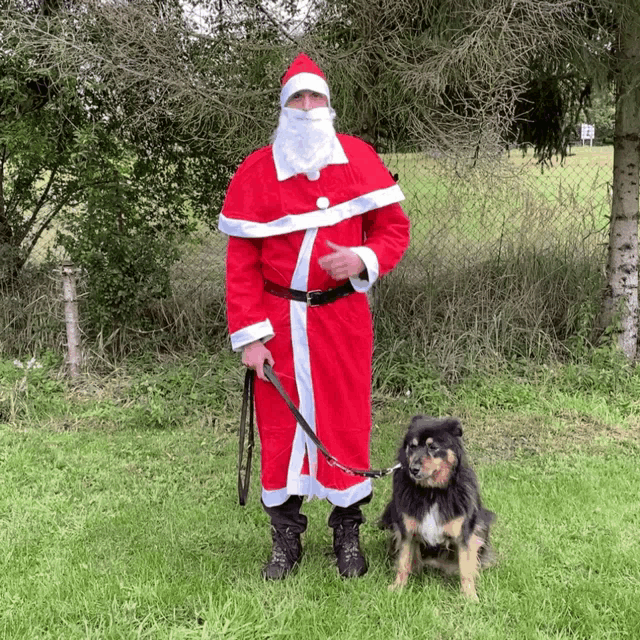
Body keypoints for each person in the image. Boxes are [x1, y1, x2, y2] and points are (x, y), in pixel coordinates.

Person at [218, 53, 410, 580]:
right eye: (297, 99)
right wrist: (251, 340)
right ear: (283, 109)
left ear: (329, 105)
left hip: (341, 320)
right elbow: (242, 266)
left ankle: (347, 531)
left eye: (315, 98)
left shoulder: (358, 159)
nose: (307, 107)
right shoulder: (257, 172)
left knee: (345, 422)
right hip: (277, 325)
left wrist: (363, 259)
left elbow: (393, 230)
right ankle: (285, 538)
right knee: (281, 428)